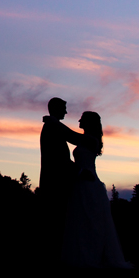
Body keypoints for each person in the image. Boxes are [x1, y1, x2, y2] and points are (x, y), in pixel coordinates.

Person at [61, 111, 132, 269]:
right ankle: (83, 254)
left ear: (89, 122)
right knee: (81, 220)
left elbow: (69, 135)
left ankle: (92, 256)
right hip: (79, 183)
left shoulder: (89, 140)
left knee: (92, 221)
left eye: (82, 118)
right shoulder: (85, 139)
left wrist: (54, 123)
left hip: (89, 183)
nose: (79, 120)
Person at [39, 97, 87, 261]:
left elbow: (72, 137)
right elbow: (59, 157)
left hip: (55, 183)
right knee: (56, 224)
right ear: (56, 108)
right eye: (64, 108)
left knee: (57, 223)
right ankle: (55, 259)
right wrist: (80, 171)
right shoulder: (52, 127)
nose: (66, 112)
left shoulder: (52, 125)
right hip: (55, 184)